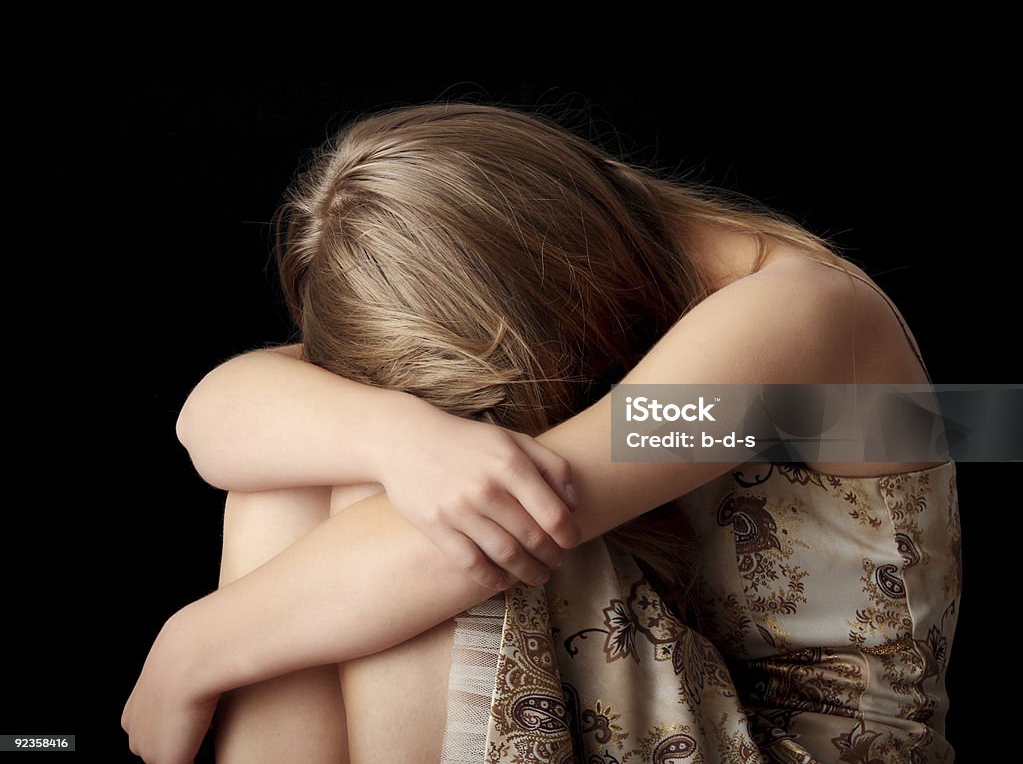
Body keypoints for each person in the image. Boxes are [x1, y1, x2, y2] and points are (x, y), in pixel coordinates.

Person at [122, 103, 960, 764]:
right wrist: (393, 432)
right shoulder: (619, 285)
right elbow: (216, 415)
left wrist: (193, 646)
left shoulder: (802, 313)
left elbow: (499, 518)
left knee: (422, 513)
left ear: (535, 302)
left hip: (790, 745)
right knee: (323, 461)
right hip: (676, 681)